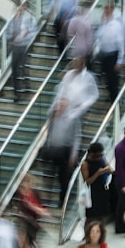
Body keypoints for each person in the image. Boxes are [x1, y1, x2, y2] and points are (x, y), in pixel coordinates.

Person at [43, 57, 99, 200]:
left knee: (64, 176)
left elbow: (76, 137)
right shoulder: (54, 117)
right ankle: (48, 195)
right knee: (50, 172)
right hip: (55, 147)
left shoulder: (88, 78)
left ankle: (63, 199)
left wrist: (73, 154)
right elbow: (49, 131)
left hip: (66, 146)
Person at [96, 0, 125, 103]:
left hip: (113, 55)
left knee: (113, 79)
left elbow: (120, 43)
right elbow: (99, 37)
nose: (105, 10)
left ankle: (115, 99)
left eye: (107, 8)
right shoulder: (103, 23)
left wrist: (119, 61)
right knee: (106, 77)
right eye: (105, 8)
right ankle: (110, 96)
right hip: (104, 54)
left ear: (112, 10)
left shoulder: (116, 25)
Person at [7, 3, 37, 101]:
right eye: (19, 7)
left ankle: (26, 84)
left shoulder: (29, 18)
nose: (20, 9)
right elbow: (7, 33)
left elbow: (33, 31)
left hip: (24, 46)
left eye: (22, 7)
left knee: (23, 66)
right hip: (15, 46)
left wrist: (24, 37)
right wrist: (11, 39)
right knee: (14, 69)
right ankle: (17, 94)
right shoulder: (12, 19)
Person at [81, 142, 113, 224]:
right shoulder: (85, 164)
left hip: (101, 189)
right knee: (90, 217)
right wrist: (97, 173)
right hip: (91, 192)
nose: (100, 157)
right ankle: (87, 233)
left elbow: (110, 169)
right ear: (92, 153)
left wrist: (108, 170)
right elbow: (87, 181)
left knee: (101, 215)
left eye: (101, 155)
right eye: (98, 155)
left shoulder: (102, 160)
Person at [15, 174, 49, 248]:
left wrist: (31, 207)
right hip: (23, 222)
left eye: (26, 182)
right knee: (23, 240)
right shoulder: (18, 194)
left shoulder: (35, 193)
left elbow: (45, 211)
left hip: (33, 224)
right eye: (22, 182)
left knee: (32, 243)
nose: (24, 184)